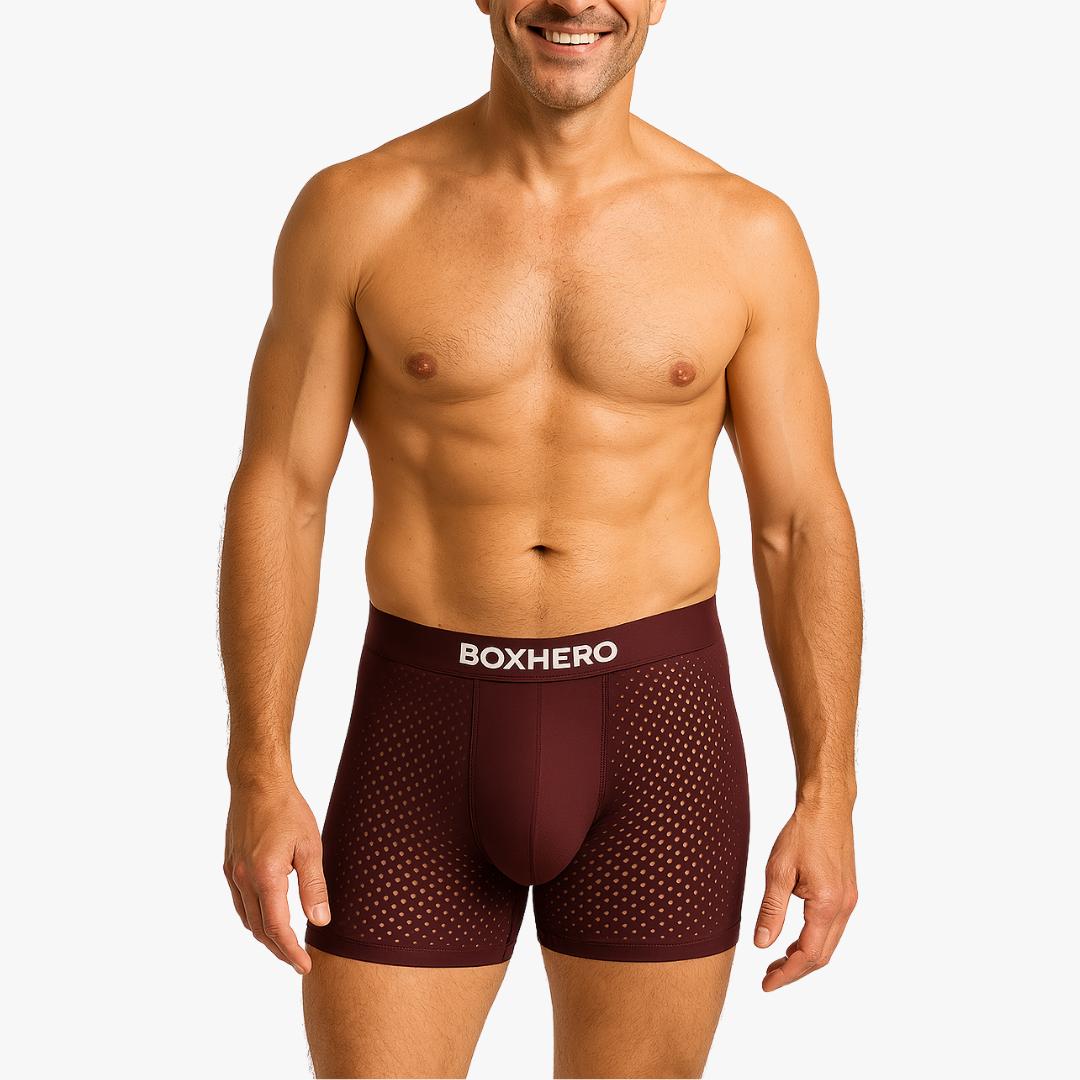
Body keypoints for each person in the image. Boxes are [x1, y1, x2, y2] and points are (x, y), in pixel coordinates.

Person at [219, 2, 861, 1076]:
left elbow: (798, 523)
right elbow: (282, 492)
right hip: (420, 729)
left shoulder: (745, 233)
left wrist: (828, 794)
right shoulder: (359, 209)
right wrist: (257, 769)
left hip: (660, 734)